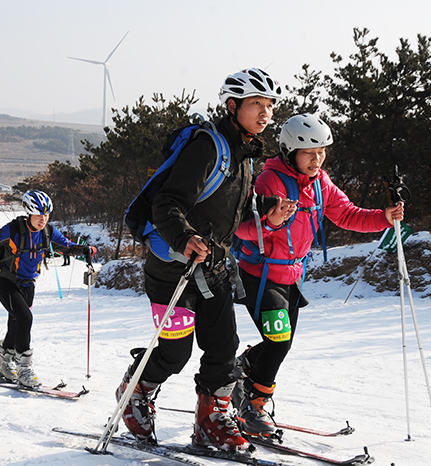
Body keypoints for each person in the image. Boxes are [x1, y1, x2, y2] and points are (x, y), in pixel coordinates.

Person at [115, 68, 286, 451]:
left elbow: (230, 212)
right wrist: (185, 236)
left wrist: (266, 212)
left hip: (214, 268)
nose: (265, 113)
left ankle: (212, 419)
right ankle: (136, 390)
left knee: (224, 346)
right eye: (256, 104)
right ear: (232, 106)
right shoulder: (208, 147)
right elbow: (167, 202)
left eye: (270, 106)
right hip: (172, 269)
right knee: (175, 352)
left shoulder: (245, 155)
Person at [232, 114, 405, 437]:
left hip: (292, 276)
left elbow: (348, 214)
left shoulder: (320, 183)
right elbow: (241, 229)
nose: (317, 159)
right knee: (279, 341)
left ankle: (242, 370)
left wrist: (384, 216)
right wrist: (270, 222)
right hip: (260, 274)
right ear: (289, 152)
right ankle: (253, 406)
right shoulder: (268, 181)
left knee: (282, 343)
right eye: (309, 153)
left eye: (322, 152)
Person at [0, 189, 96, 388]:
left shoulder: (48, 232)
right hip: (7, 283)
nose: (42, 219)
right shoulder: (13, 230)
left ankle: (4, 364)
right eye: (38, 215)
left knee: (16, 323)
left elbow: (68, 247)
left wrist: (85, 249)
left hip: (28, 285)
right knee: (25, 318)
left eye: (46, 215)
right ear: (29, 212)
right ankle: (24, 368)